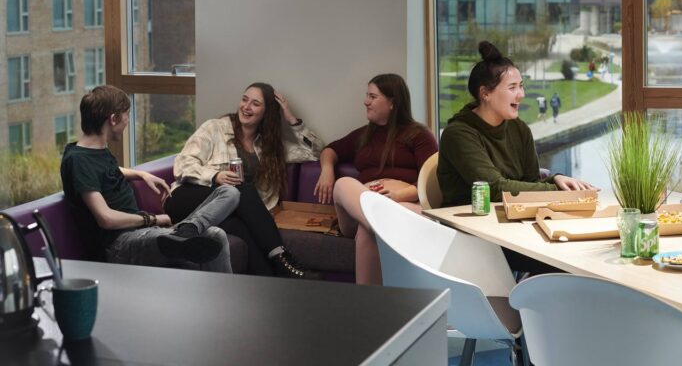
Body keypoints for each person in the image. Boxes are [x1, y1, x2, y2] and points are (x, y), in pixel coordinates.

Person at [61, 86, 236, 273]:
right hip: (119, 244)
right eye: (126, 115)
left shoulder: (95, 151)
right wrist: (153, 219)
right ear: (113, 119)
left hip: (143, 234)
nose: (128, 121)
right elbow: (106, 219)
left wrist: (141, 174)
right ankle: (179, 241)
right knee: (168, 241)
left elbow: (103, 171)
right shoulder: (78, 160)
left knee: (225, 208)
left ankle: (189, 230)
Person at [164, 82, 324, 278]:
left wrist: (290, 118)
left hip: (226, 211)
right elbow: (182, 164)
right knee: (244, 190)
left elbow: (315, 152)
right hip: (185, 197)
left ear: (267, 112)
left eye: (255, 103)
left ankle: (272, 282)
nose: (246, 107)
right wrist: (215, 176)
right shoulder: (215, 128)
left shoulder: (269, 147)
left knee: (242, 228)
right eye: (244, 99)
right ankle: (282, 258)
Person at [314, 74, 438, 285]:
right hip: (362, 209)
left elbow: (432, 182)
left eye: (373, 96)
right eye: (367, 95)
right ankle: (378, 218)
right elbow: (331, 149)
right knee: (343, 184)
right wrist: (327, 170)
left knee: (367, 231)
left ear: (392, 103)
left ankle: (368, 306)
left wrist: (397, 196)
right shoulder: (364, 135)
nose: (366, 101)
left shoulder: (418, 135)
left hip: (404, 205)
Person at [438, 41, 595, 208]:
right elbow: (494, 188)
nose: (521, 95)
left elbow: (531, 182)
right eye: (512, 88)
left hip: (511, 217)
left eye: (521, 86)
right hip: (467, 225)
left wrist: (556, 178)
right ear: (485, 94)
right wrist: (555, 189)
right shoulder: (458, 134)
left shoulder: (518, 128)